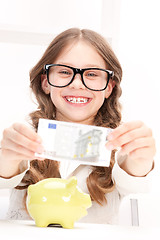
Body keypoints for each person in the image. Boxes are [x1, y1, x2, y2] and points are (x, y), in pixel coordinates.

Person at [0, 28, 155, 224]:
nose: (77, 84)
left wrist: (140, 157)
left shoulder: (119, 144)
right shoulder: (22, 134)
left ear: (109, 87)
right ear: (46, 81)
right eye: (65, 71)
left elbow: (134, 179)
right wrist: (7, 156)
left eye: (91, 74)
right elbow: (4, 176)